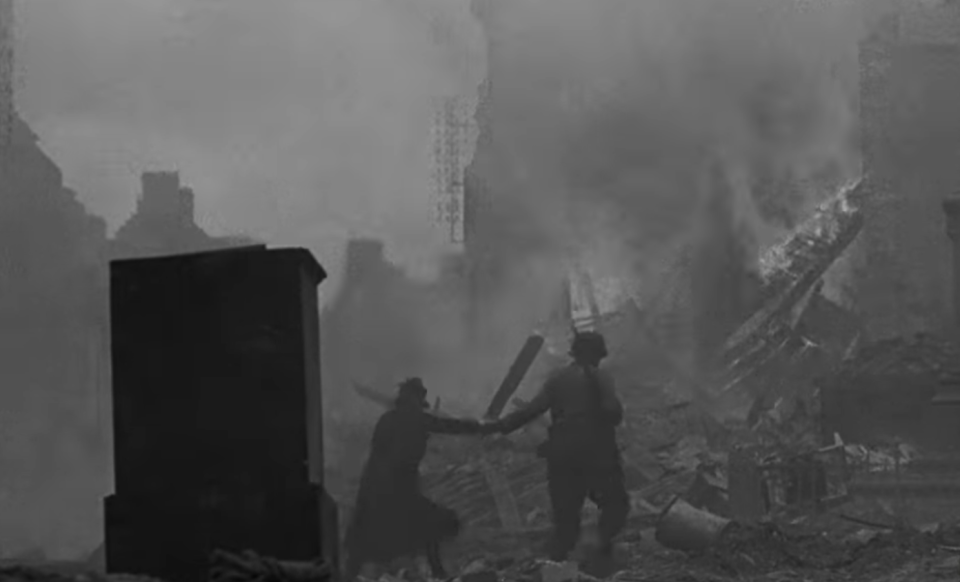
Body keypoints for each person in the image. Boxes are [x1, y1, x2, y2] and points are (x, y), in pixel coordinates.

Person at [492, 331, 629, 568]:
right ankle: (595, 553)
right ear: (597, 354)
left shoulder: (557, 379)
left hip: (562, 455)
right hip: (597, 454)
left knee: (565, 520)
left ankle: (555, 568)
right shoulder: (601, 377)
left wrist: (500, 426)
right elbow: (612, 413)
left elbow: (531, 410)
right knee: (616, 505)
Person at [344, 377, 495, 581]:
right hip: (395, 488)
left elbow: (378, 454)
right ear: (415, 401)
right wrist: (482, 426)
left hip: (376, 487)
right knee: (428, 525)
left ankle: (435, 571)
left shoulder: (388, 419)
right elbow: (449, 426)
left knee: (368, 538)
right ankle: (437, 572)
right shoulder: (417, 420)